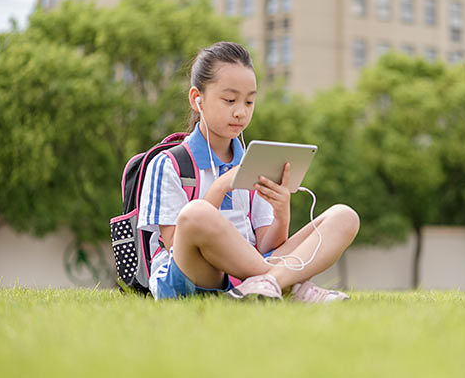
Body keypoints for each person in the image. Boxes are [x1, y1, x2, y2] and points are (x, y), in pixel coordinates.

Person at [138, 42, 360, 302]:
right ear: (197, 99)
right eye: (230, 100)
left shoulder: (253, 161)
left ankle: (269, 283)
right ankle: (290, 284)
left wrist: (281, 212)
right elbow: (175, 243)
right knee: (195, 213)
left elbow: (266, 245)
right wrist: (222, 186)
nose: (241, 112)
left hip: (246, 273)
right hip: (193, 275)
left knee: (344, 217)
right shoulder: (169, 163)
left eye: (249, 101)